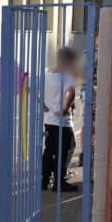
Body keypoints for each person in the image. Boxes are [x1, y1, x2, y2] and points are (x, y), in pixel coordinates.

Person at [42, 47, 79, 192]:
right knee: (64, 151)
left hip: (49, 121)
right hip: (62, 122)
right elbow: (72, 93)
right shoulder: (67, 77)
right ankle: (59, 182)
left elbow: (36, 92)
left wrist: (42, 104)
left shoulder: (47, 76)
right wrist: (64, 109)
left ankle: (44, 180)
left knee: (49, 150)